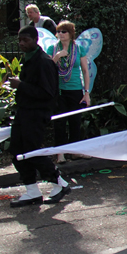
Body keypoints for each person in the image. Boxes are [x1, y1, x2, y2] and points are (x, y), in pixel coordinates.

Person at [8, 25, 71, 208]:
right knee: (18, 152)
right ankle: (32, 191)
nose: (21, 44)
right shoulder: (29, 59)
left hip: (36, 114)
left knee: (33, 152)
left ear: (35, 40)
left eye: (25, 40)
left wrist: (21, 86)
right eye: (19, 40)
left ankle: (59, 183)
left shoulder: (43, 62)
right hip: (24, 112)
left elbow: (48, 93)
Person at [46, 21, 92, 164]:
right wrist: (58, 56)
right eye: (58, 31)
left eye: (64, 31)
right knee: (60, 122)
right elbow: (47, 69)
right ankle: (60, 153)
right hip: (59, 90)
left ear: (71, 33)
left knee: (75, 121)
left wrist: (86, 92)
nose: (60, 34)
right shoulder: (52, 48)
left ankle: (75, 151)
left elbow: (85, 70)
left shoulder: (78, 49)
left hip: (75, 89)